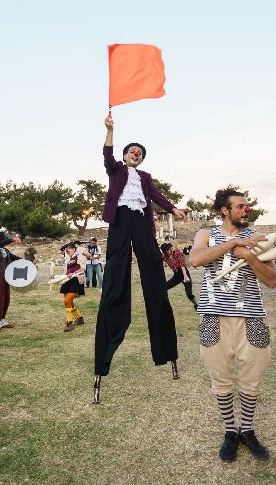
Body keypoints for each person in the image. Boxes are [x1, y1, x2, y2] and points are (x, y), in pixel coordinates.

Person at [93, 115, 186, 404]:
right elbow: (107, 155)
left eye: (141, 154)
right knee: (117, 272)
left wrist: (173, 209)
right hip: (120, 221)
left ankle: (166, 351)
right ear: (126, 155)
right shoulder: (116, 170)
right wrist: (110, 131)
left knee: (153, 277)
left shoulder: (145, 178)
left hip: (142, 222)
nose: (137, 155)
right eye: (133, 152)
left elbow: (156, 195)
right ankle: (107, 345)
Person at [188, 188, 276, 462]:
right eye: (239, 206)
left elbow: (272, 280)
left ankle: (247, 430)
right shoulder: (206, 234)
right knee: (221, 380)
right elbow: (196, 259)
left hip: (251, 318)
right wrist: (232, 245)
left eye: (246, 206)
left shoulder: (258, 239)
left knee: (251, 380)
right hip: (214, 317)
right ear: (224, 210)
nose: (245, 210)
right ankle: (230, 431)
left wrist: (249, 256)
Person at [160, 242, 198, 310]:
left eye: (171, 248)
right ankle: (162, 303)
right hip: (176, 276)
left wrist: (185, 276)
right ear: (166, 251)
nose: (171, 250)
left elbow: (182, 265)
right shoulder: (165, 257)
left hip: (184, 273)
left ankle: (195, 304)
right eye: (169, 249)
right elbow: (158, 259)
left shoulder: (177, 254)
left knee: (189, 294)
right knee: (164, 287)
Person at [60, 242, 87, 332]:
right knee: (69, 302)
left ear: (74, 249)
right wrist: (60, 278)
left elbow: (83, 268)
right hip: (67, 281)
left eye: (69, 249)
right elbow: (65, 271)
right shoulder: (67, 259)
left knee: (67, 300)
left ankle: (69, 323)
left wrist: (74, 273)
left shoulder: (79, 256)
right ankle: (79, 319)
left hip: (76, 280)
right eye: (66, 249)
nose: (67, 251)